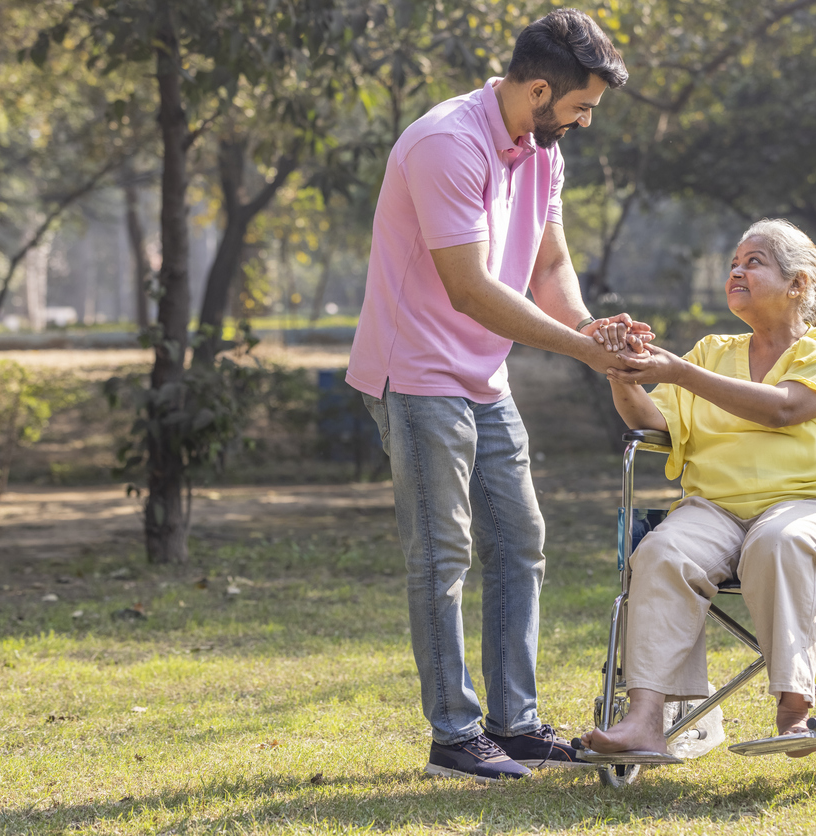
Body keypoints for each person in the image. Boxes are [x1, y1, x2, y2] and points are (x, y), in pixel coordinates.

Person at [347, 9, 647, 783]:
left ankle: (514, 726)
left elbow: (549, 267)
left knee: (518, 541)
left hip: (482, 376)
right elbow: (471, 289)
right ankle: (455, 735)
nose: (582, 123)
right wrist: (583, 352)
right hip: (415, 374)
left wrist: (593, 327)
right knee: (441, 553)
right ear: (539, 89)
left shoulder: (540, 149)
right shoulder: (447, 142)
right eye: (580, 107)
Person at [579, 218, 816, 759]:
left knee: (779, 542)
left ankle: (795, 711)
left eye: (754, 261)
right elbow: (655, 422)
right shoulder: (712, 351)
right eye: (734, 262)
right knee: (662, 550)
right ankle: (645, 719)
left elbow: (785, 408)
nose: (737, 270)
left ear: (800, 284)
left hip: (808, 506)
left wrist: (677, 372)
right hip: (714, 509)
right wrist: (623, 372)